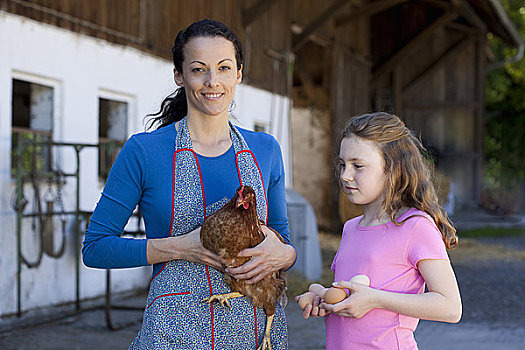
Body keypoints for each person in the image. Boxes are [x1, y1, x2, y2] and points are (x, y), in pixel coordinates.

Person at [82, 19, 296, 349]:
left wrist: (284, 253)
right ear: (179, 75)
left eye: (224, 68)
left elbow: (283, 239)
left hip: (256, 334)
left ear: (238, 73)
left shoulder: (265, 149)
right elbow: (96, 248)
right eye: (199, 69)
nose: (213, 81)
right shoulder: (144, 151)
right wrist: (182, 247)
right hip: (173, 336)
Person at [295, 112, 462, 349]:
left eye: (358, 166)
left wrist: (376, 300)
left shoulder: (416, 226)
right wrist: (323, 299)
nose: (345, 175)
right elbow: (349, 295)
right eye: (342, 164)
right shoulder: (351, 228)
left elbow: (450, 307)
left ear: (394, 169)